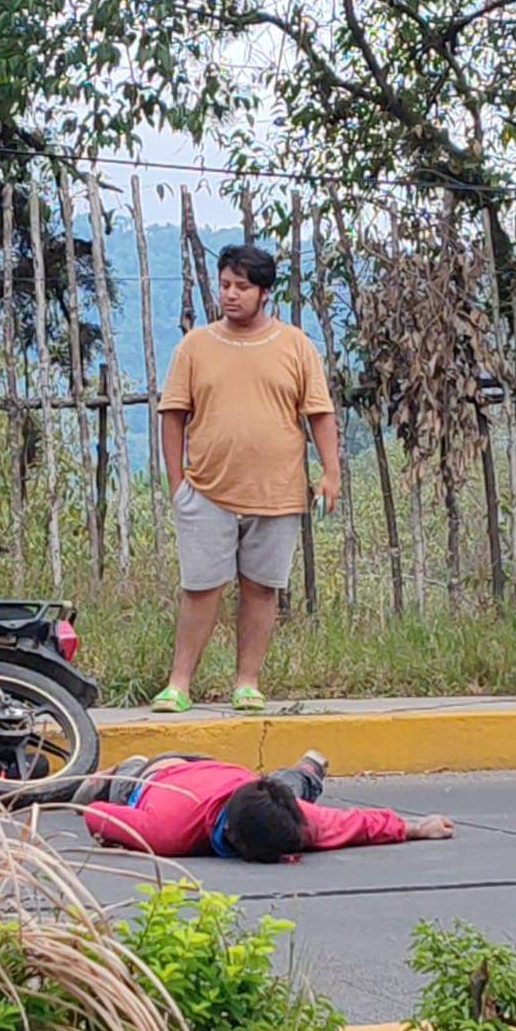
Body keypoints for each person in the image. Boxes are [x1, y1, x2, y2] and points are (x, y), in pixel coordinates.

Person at [151, 243, 340, 715]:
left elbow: (319, 414)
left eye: (242, 286)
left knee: (261, 586)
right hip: (208, 490)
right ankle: (179, 683)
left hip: (276, 491)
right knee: (201, 587)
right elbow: (173, 415)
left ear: (263, 293)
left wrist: (330, 473)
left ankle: (247, 682)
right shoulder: (195, 345)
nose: (230, 295)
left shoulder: (295, 345)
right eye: (225, 285)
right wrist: (178, 483)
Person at [75, 750, 454, 862]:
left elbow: (355, 823)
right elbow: (96, 816)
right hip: (156, 773)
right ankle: (112, 771)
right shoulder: (167, 832)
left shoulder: (298, 818)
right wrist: (120, 834)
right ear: (235, 842)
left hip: (225, 773)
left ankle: (307, 770)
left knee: (288, 788)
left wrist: (415, 826)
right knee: (98, 792)